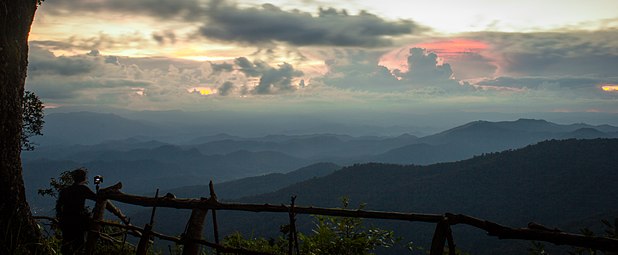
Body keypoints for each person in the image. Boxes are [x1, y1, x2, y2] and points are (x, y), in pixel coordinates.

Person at [56, 168, 96, 255]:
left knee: (66, 243)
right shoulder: (83, 189)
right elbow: (96, 198)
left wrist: (60, 218)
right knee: (79, 245)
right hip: (79, 222)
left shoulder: (65, 190)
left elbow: (58, 206)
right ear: (84, 178)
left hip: (66, 221)